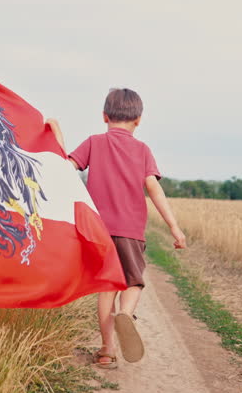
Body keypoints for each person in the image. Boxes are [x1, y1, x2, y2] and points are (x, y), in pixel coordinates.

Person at [47, 88, 186, 369]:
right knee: (133, 282)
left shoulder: (94, 142)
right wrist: (174, 227)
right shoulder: (143, 150)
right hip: (130, 230)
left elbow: (64, 167)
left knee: (106, 288)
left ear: (104, 116)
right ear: (138, 120)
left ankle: (107, 351)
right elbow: (154, 189)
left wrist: (56, 134)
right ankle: (126, 313)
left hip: (98, 230)